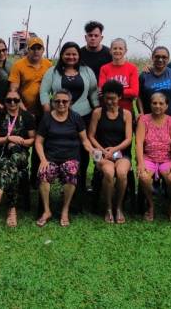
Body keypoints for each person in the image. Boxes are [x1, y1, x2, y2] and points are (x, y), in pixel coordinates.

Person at [40, 41, 99, 196]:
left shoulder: (87, 71)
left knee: (82, 153)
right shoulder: (53, 72)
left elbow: (93, 92)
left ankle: (79, 188)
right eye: (67, 54)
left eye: (74, 54)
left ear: (79, 56)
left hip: (83, 116)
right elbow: (44, 92)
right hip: (58, 117)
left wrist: (97, 109)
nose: (71, 57)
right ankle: (57, 182)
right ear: (62, 55)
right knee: (58, 148)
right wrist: (48, 111)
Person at [35, 90, 94, 227]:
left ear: (70, 103)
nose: (61, 104)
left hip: (70, 158)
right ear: (53, 103)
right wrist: (43, 160)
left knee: (71, 171)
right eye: (57, 101)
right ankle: (47, 210)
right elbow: (38, 142)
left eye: (64, 101)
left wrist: (92, 150)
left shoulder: (76, 117)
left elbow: (84, 140)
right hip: (51, 158)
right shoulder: (47, 118)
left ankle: (65, 210)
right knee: (44, 172)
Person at [0, 90, 36, 227]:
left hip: (20, 153)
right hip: (0, 154)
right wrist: (8, 139)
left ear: (20, 101)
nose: (12, 103)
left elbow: (33, 139)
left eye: (16, 100)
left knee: (13, 160)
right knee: (10, 166)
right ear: (4, 101)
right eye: (9, 100)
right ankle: (11, 209)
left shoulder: (27, 117)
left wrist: (20, 141)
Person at [88, 80, 133, 224]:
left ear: (119, 97)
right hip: (101, 153)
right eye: (107, 98)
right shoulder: (97, 113)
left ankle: (118, 206)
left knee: (122, 173)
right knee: (108, 172)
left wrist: (114, 149)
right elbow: (91, 136)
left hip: (121, 153)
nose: (109, 102)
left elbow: (128, 139)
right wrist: (102, 150)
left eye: (113, 99)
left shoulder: (126, 114)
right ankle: (108, 207)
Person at [136, 92, 171, 222]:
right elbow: (139, 142)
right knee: (144, 177)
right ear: (150, 104)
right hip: (148, 157)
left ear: (166, 106)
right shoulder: (144, 120)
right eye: (154, 103)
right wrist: (140, 163)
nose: (157, 106)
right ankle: (151, 205)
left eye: (161, 103)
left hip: (166, 158)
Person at [8, 36, 52, 121]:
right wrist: (25, 112)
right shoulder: (18, 65)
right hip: (23, 109)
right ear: (28, 50)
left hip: (44, 110)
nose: (36, 51)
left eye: (39, 48)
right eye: (33, 48)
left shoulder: (48, 65)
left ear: (43, 50)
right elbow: (13, 91)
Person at [137, 46, 171, 118]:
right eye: (157, 57)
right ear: (152, 57)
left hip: (169, 119)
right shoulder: (144, 75)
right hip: (148, 119)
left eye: (164, 57)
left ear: (168, 59)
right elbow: (139, 97)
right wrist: (141, 114)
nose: (160, 60)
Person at [98, 38, 139, 112]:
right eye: (115, 48)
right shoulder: (104, 68)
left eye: (120, 48)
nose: (117, 51)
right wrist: (125, 92)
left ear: (125, 51)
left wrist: (111, 92)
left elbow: (134, 92)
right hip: (108, 110)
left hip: (126, 111)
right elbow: (103, 91)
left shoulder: (132, 68)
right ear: (110, 51)